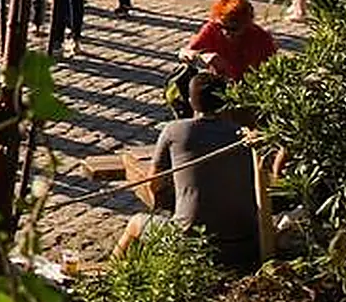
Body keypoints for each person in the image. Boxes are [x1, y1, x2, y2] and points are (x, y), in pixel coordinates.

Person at [111, 74, 262, 267]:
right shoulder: (244, 134)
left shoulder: (175, 131)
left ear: (191, 102)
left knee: (136, 223)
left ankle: (112, 274)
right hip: (246, 244)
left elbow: (153, 183)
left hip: (191, 245)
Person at [181, 0, 278, 81]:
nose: (225, 32)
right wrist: (202, 56)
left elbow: (272, 72)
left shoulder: (261, 39)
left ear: (247, 24)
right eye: (221, 26)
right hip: (221, 81)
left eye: (233, 29)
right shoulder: (213, 28)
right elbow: (184, 53)